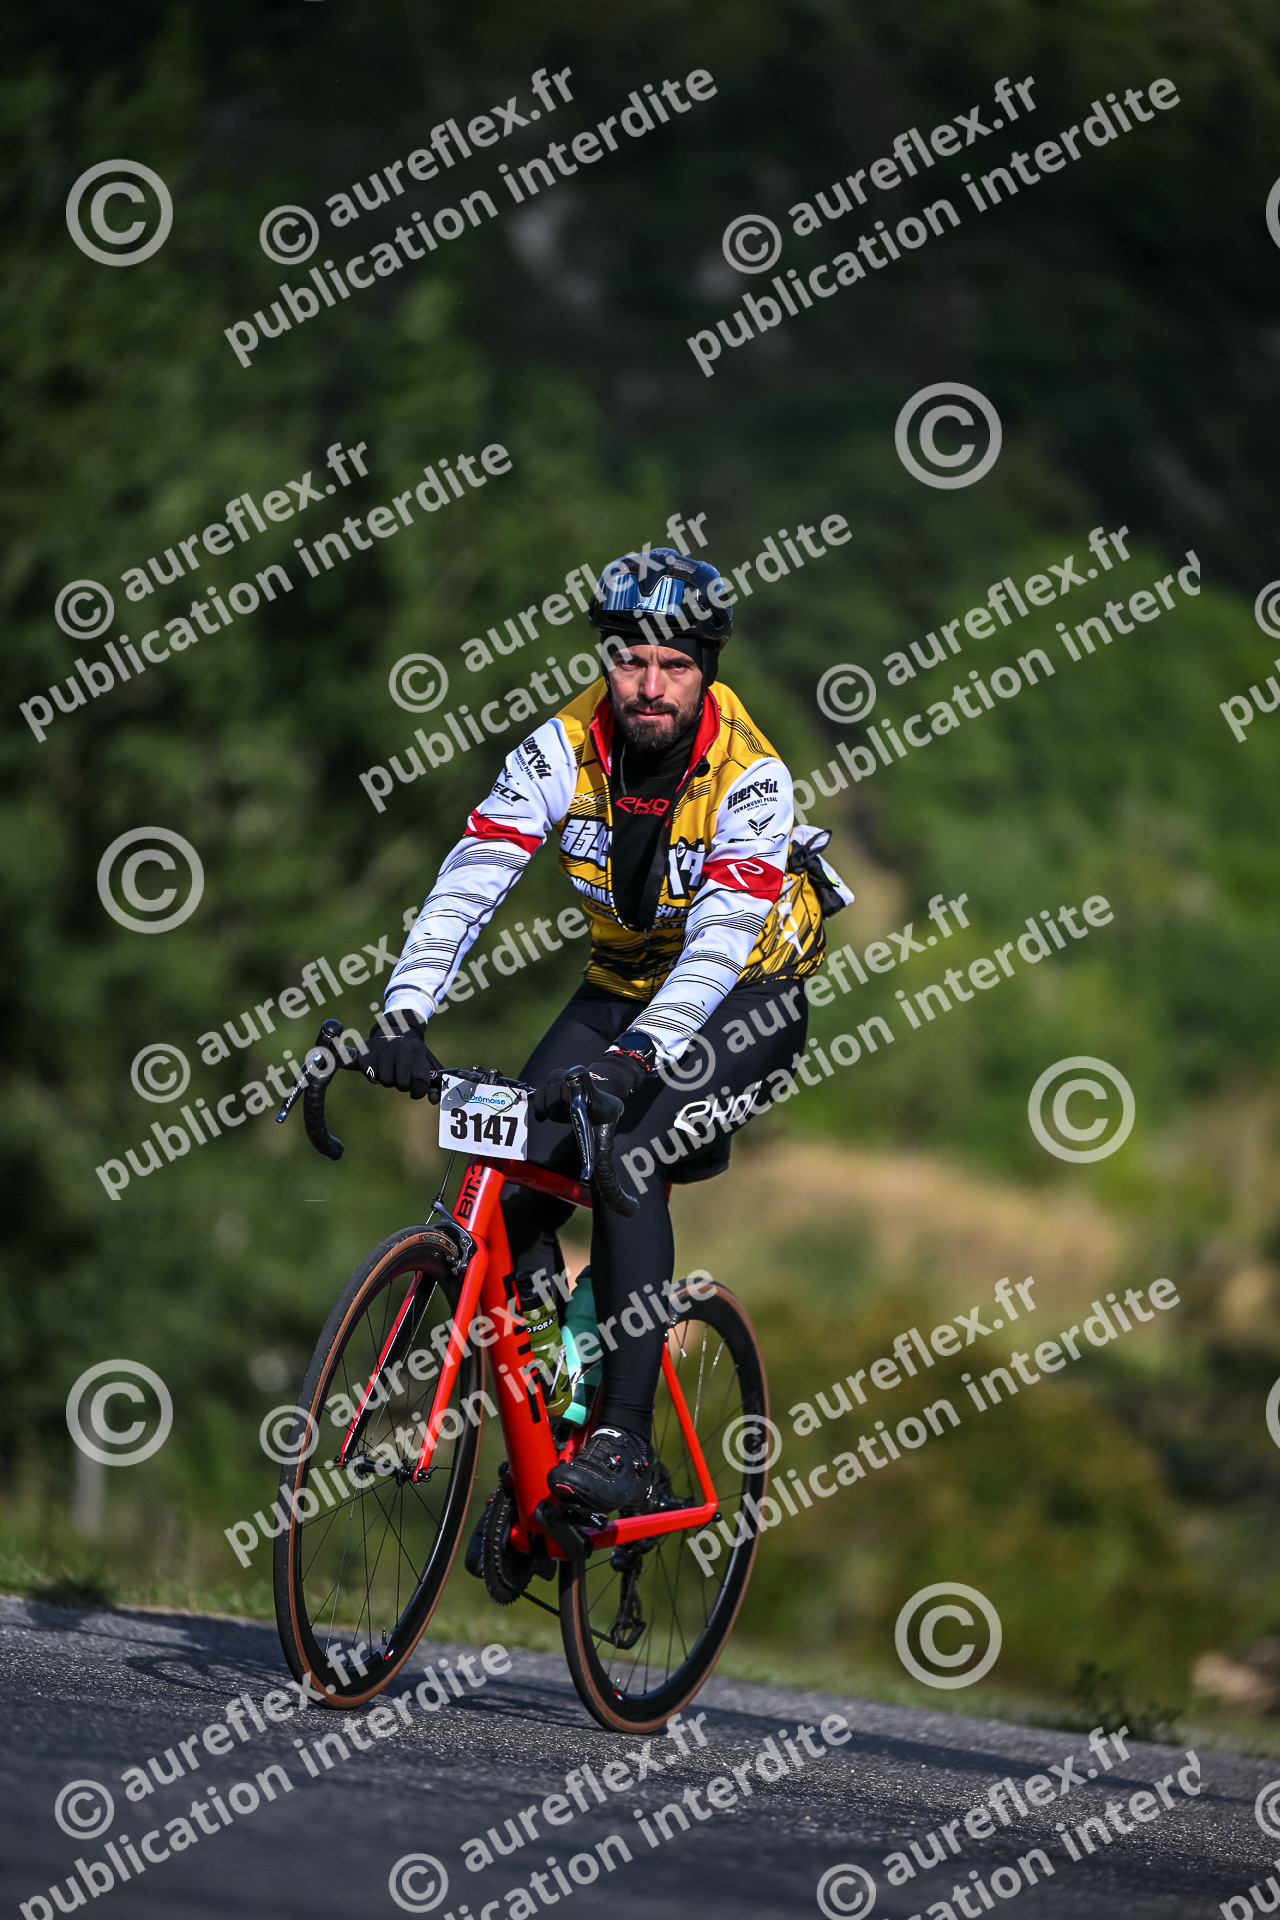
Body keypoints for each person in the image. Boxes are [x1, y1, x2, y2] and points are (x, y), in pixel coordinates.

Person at [363, 546, 851, 1515]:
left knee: (625, 1155)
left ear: (707, 667)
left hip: (745, 997)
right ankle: (555, 1416)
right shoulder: (562, 746)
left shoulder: (751, 777)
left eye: (673, 664)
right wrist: (405, 1010)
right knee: (505, 1188)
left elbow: (717, 948)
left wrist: (635, 1061)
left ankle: (625, 1439)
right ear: (606, 659)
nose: (649, 685)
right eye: (629, 660)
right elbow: (473, 874)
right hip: (619, 985)